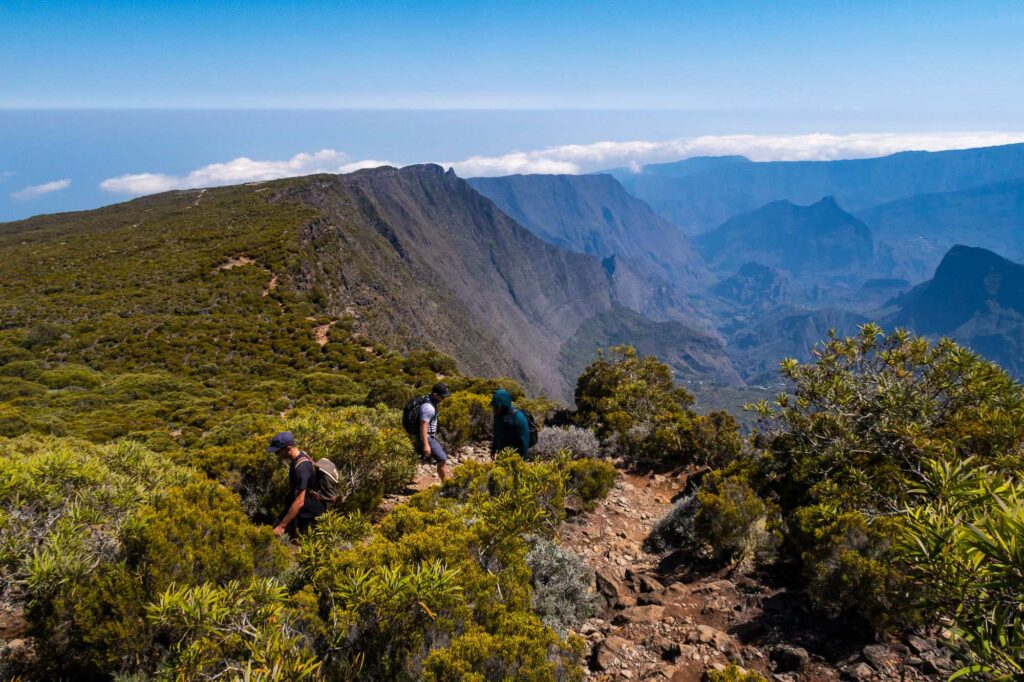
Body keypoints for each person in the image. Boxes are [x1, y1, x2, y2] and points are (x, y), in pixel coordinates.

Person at [267, 431, 326, 537]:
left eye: (278, 451)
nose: (276, 454)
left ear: (288, 449)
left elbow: (299, 502)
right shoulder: (300, 456)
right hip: (302, 507)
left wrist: (282, 526)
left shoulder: (301, 469)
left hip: (309, 513)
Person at [418, 382, 452, 482]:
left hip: (428, 436)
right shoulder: (429, 408)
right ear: (435, 395)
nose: (444, 399)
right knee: (442, 459)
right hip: (427, 437)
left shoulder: (429, 399)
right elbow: (423, 426)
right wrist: (426, 445)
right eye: (442, 396)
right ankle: (447, 486)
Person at [490, 388, 531, 459]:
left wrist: (521, 462)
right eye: (494, 407)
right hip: (502, 455)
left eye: (497, 407)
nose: (494, 409)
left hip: (515, 458)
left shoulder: (518, 417)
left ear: (503, 404)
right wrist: (493, 448)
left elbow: (524, 441)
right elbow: (497, 433)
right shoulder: (498, 416)